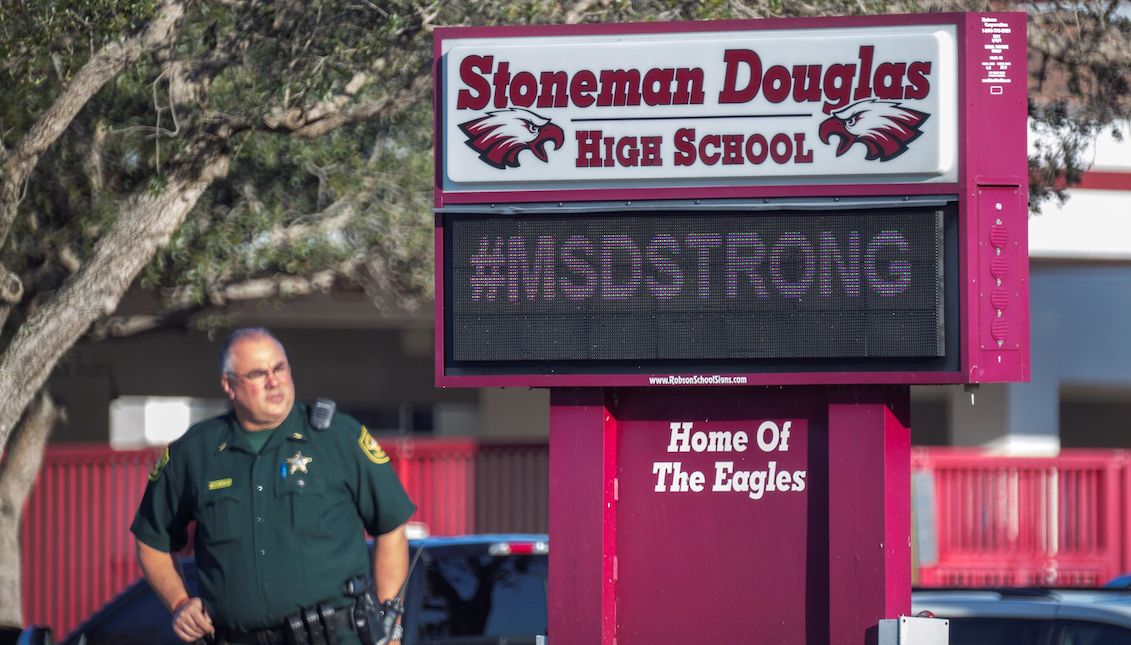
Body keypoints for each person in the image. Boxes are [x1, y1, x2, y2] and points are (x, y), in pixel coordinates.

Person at [131, 327, 416, 645]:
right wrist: (180, 603)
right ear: (229, 385)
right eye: (257, 373)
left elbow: (391, 527)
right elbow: (151, 541)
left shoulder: (338, 438)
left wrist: (391, 631)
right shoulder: (194, 453)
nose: (274, 381)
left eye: (280, 368)